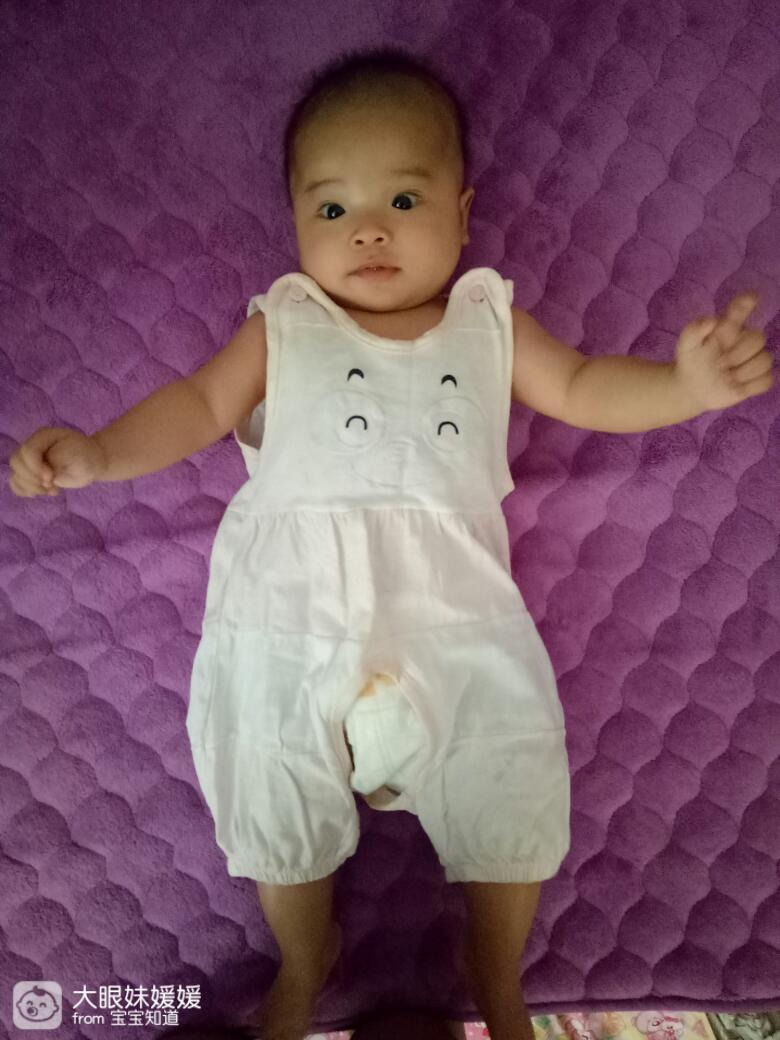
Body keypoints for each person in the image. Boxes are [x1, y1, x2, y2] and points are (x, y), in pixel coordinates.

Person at [8, 46, 773, 1040]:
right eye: (331, 209)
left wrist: (684, 388)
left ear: (463, 211)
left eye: (403, 201)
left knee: (507, 762)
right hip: (291, 606)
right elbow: (197, 404)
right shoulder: (287, 322)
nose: (366, 229)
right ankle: (306, 954)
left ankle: (494, 971)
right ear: (296, 227)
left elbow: (586, 387)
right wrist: (102, 453)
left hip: (452, 605)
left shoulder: (489, 321)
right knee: (269, 766)